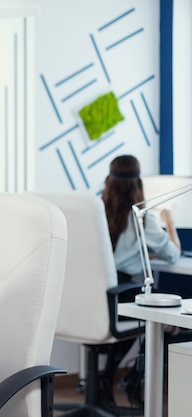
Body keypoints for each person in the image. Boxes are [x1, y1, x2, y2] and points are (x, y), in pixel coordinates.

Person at [101, 154, 182, 407]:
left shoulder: (96, 211)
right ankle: (135, 376)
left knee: (141, 318)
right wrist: (169, 221)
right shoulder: (144, 218)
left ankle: (106, 380)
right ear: (138, 183)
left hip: (97, 297)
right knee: (169, 319)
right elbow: (172, 254)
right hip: (123, 292)